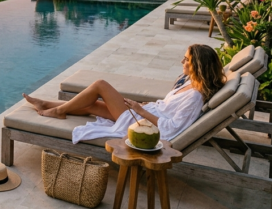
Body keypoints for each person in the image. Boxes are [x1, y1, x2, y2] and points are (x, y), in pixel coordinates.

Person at [22, 44, 225, 144]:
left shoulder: (195, 97)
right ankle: (46, 105)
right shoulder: (191, 83)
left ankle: (58, 111)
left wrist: (140, 111)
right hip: (145, 114)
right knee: (92, 105)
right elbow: (168, 108)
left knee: (100, 85)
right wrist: (147, 105)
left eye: (187, 60)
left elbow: (172, 129)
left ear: (199, 66)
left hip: (141, 122)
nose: (182, 62)